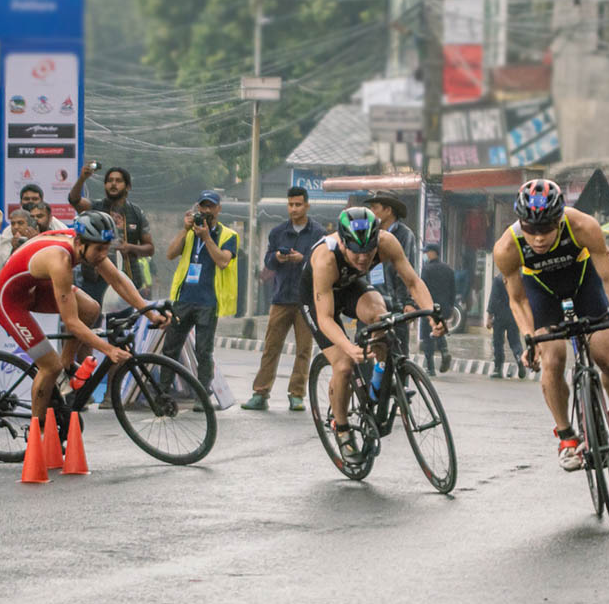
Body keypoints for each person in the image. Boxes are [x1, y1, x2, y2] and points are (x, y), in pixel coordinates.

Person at [493, 179, 609, 472]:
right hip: (542, 293)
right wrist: (529, 338)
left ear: (559, 219)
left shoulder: (584, 226)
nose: (538, 238)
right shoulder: (506, 247)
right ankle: (566, 436)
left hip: (584, 283)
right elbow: (517, 300)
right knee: (553, 360)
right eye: (530, 229)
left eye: (546, 228)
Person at [0, 211, 167, 422]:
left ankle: (66, 365)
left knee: (90, 308)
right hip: (9, 300)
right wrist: (108, 349)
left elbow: (117, 280)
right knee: (50, 366)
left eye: (107, 248)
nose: (103, 254)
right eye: (99, 249)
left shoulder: (87, 244)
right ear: (79, 243)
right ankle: (37, 431)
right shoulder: (60, 260)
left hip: (34, 288)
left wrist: (149, 313)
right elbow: (72, 322)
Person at [300, 207, 442, 464]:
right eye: (356, 252)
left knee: (381, 318)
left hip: (349, 285)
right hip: (317, 297)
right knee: (344, 365)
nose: (364, 258)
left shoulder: (387, 242)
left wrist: (431, 313)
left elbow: (413, 282)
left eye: (369, 251)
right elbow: (325, 319)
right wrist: (348, 347)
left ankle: (378, 382)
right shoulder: (325, 259)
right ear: (342, 244)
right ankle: (342, 429)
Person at [241, 186, 325, 412]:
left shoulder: (318, 233)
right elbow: (268, 262)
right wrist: (277, 257)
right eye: (290, 205)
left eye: (298, 204)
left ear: (307, 205)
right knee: (271, 347)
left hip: (306, 301)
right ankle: (260, 393)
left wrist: (303, 259)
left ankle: (297, 394)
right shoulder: (278, 232)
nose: (294, 209)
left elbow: (323, 263)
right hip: (280, 298)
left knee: (304, 349)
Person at [162, 190, 238, 402]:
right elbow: (170, 254)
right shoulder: (190, 232)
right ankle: (163, 391)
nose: (206, 211)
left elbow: (223, 261)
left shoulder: (228, 235)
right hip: (185, 298)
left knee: (203, 351)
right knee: (170, 347)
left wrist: (206, 237)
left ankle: (202, 394)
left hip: (208, 301)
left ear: (218, 209)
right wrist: (185, 230)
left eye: (210, 206)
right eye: (203, 206)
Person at [68, 163, 155, 295]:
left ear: (128, 186)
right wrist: (82, 179)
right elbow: (74, 200)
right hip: (96, 281)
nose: (113, 184)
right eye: (109, 181)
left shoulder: (136, 213)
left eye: (118, 181)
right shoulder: (95, 207)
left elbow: (149, 249)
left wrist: (129, 247)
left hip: (129, 280)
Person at [364, 190, 415, 354]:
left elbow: (408, 272)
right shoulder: (368, 232)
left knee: (398, 355)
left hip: (395, 307)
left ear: (388, 210)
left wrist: (409, 302)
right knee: (365, 354)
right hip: (368, 303)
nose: (371, 212)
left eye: (375, 207)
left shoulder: (405, 235)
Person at [420, 243, 455, 376]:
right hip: (444, 307)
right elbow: (453, 290)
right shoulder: (448, 269)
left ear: (433, 253)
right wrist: (451, 307)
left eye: (427, 252)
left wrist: (420, 306)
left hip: (430, 307)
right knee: (439, 330)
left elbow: (422, 288)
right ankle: (444, 351)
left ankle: (430, 367)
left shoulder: (427, 269)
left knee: (428, 336)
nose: (425, 255)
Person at [485, 273, 526, 379]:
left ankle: (498, 368)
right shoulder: (519, 278)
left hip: (500, 315)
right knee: (515, 341)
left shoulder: (498, 279)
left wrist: (489, 317)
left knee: (498, 342)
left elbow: (493, 299)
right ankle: (519, 359)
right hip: (514, 314)